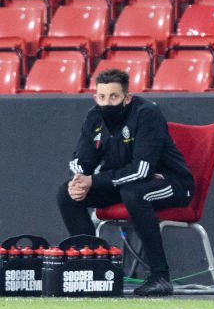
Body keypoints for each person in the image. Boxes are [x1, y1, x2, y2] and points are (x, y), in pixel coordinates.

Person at [58, 68, 195, 297]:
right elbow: (80, 159)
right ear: (95, 97)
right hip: (126, 183)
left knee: (135, 193)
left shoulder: (147, 113)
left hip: (174, 184)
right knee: (66, 194)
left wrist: (93, 180)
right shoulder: (94, 116)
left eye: (114, 97)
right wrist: (79, 180)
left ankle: (160, 276)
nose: (107, 102)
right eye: (102, 97)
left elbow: (142, 170)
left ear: (127, 97)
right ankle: (92, 268)